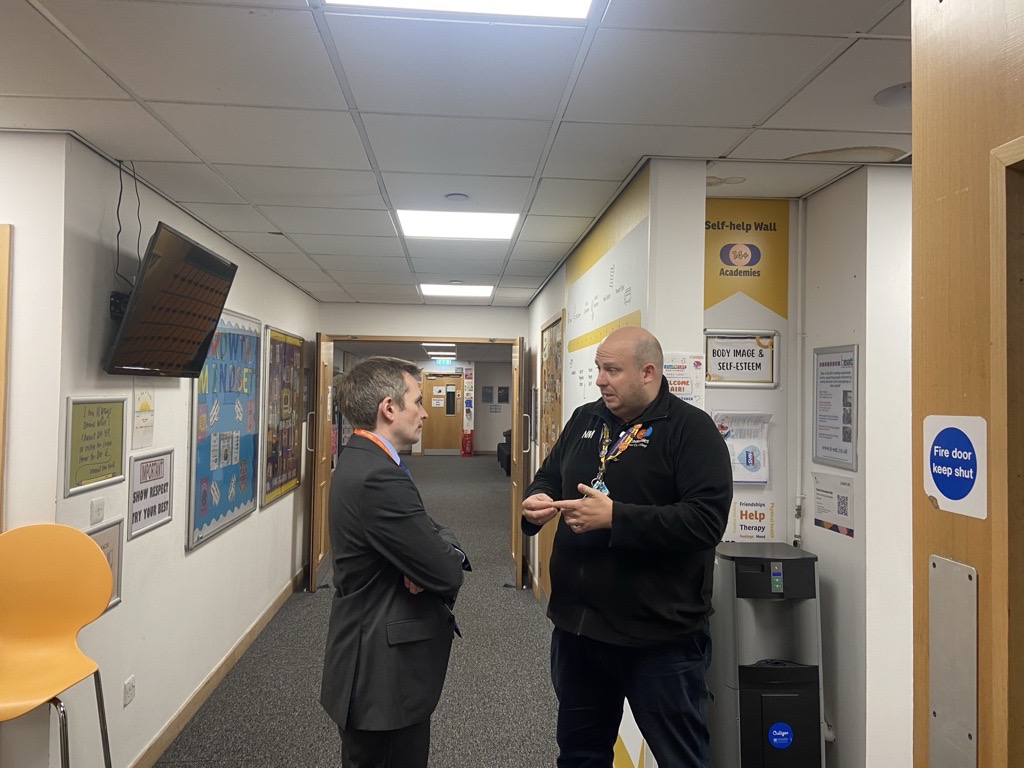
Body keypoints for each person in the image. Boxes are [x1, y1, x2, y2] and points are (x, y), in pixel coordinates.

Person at [522, 326, 732, 767]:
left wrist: (616, 517)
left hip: (658, 639)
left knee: (681, 759)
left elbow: (705, 522)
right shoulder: (585, 419)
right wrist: (538, 500)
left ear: (647, 373)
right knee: (580, 755)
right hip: (580, 632)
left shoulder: (692, 431)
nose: (600, 380)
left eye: (612, 370)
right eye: (599, 368)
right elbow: (550, 475)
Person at [321, 356, 470, 768]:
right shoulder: (377, 475)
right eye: (417, 401)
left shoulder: (366, 458)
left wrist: (432, 553)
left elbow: (429, 531)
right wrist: (435, 558)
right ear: (389, 408)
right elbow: (445, 572)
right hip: (381, 679)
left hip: (371, 663)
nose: (424, 412)